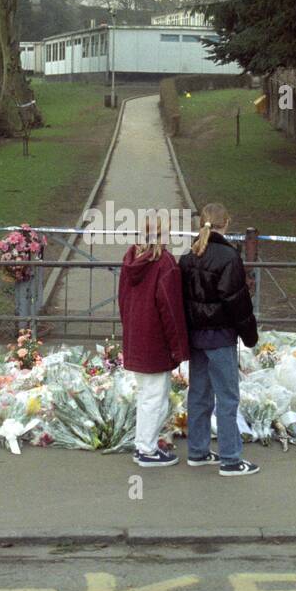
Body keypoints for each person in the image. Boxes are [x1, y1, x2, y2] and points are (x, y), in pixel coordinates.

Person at [179, 202, 260, 476]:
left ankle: (198, 451)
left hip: (196, 336)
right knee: (227, 397)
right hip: (221, 337)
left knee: (199, 395)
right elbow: (237, 301)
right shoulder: (228, 257)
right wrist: (250, 335)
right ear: (226, 224)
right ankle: (230, 458)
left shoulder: (188, 257)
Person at [118, 213, 190, 467]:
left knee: (146, 395)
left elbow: (122, 300)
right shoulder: (165, 263)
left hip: (136, 336)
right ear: (162, 234)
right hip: (156, 340)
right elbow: (170, 310)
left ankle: (143, 445)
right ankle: (146, 450)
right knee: (155, 397)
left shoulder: (131, 260)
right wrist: (178, 347)